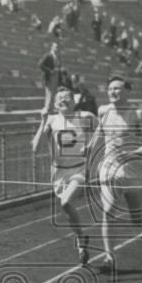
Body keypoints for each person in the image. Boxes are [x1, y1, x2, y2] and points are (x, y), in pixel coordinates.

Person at [88, 76, 142, 273]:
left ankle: (137, 209)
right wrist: (89, 148)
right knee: (108, 211)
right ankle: (109, 257)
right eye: (110, 89)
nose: (113, 92)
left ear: (127, 91)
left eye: (117, 88)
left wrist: (132, 153)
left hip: (132, 169)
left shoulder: (137, 113)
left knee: (137, 217)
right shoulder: (103, 110)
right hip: (109, 167)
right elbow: (99, 133)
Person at [32, 86, 98, 266]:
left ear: (74, 101)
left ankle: (80, 240)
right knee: (68, 209)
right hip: (58, 173)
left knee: (66, 202)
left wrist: (91, 145)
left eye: (67, 97)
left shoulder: (84, 117)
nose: (63, 100)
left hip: (79, 170)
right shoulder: (51, 120)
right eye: (59, 98)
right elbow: (35, 148)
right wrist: (42, 121)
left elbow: (101, 129)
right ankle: (81, 239)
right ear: (55, 104)